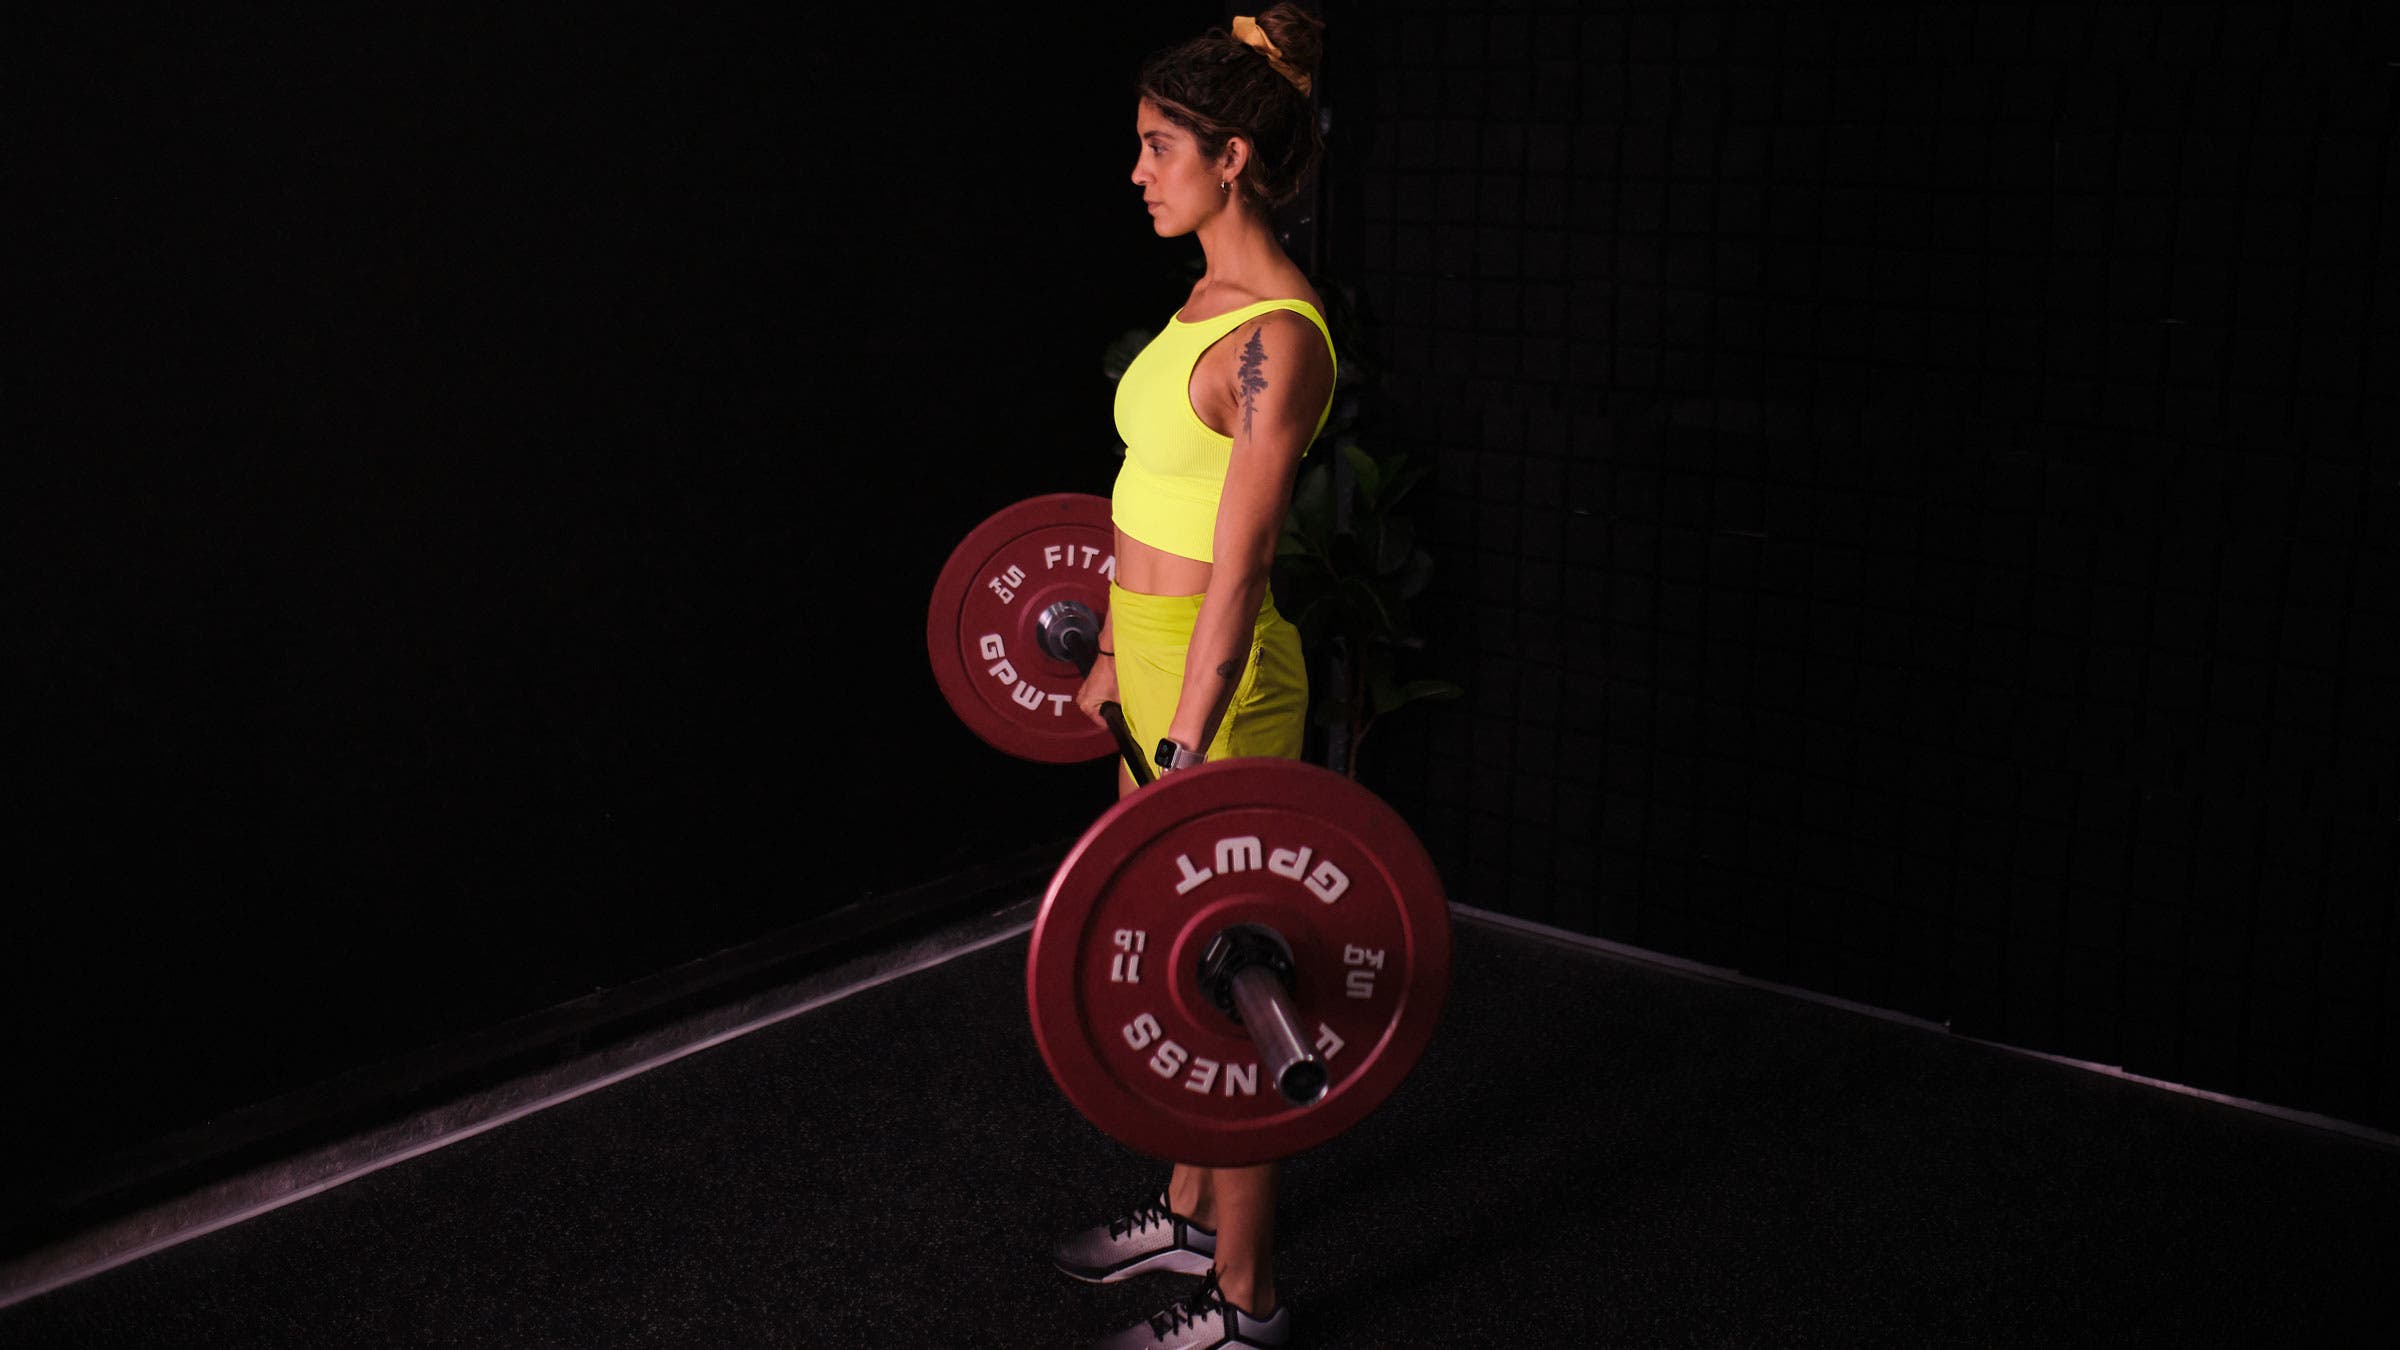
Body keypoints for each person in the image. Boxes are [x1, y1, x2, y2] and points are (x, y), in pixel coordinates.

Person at [1056, 7, 1334, 1349]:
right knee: (1169, 960)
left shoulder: (1286, 336)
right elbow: (1146, 495)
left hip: (1221, 692)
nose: (1136, 171)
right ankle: (1185, 1210)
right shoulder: (1200, 306)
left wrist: (1184, 740)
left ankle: (1246, 1297)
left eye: (1157, 147)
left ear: (1230, 158)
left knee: (1236, 981)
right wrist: (1116, 651)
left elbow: (1240, 564)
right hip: (1154, 670)